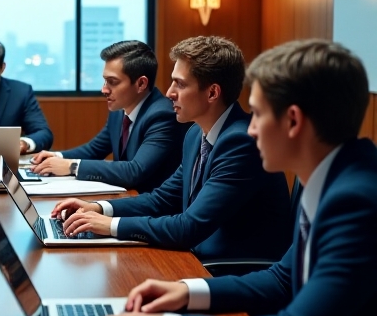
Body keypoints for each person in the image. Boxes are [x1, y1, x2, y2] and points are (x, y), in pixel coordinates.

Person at [82, 39, 377, 316]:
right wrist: (186, 292)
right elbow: (283, 277)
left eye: (256, 114)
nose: (250, 129)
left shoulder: (355, 200)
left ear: (293, 121)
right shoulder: (330, 176)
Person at [54, 36, 291, 261]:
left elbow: (189, 227)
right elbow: (163, 199)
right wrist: (98, 208)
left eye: (180, 84)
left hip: (230, 268)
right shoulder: (195, 133)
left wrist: (111, 225)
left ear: (212, 93)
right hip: (196, 254)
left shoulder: (241, 142)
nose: (169, 93)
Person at [30, 40, 187, 192]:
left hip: (152, 209)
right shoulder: (120, 110)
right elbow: (95, 149)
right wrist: (57, 157)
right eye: (105, 81)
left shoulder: (163, 115)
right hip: (127, 198)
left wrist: (72, 166)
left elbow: (135, 171)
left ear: (141, 84)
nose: (104, 90)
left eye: (112, 82)